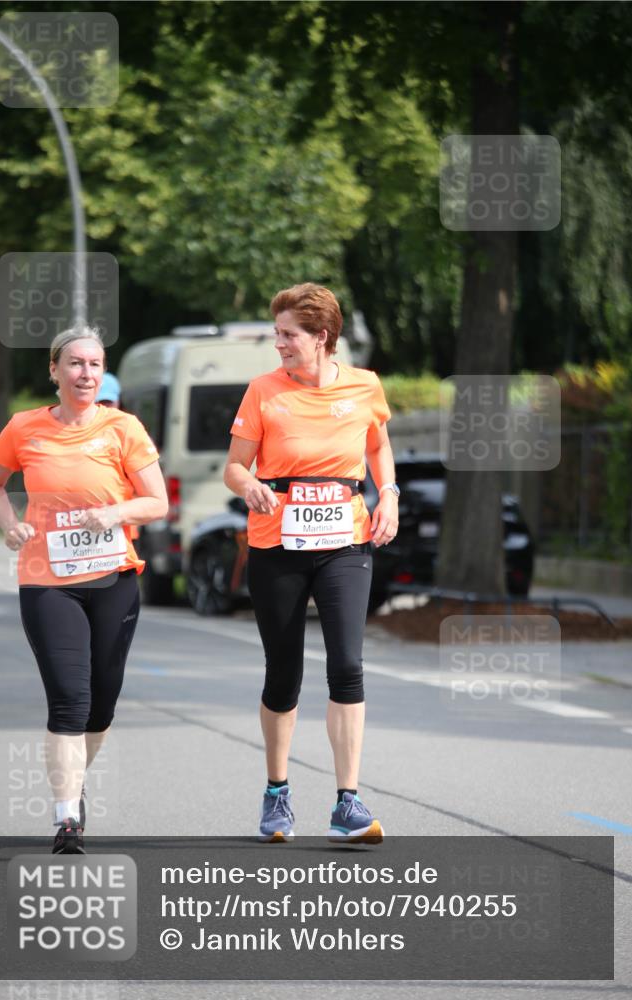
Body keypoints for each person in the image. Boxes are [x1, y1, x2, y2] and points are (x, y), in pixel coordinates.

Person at [0, 325, 168, 853]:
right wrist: (9, 523)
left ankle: (74, 785)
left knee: (100, 706)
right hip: (47, 581)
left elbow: (157, 502)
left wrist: (113, 512)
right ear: (55, 370)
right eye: (77, 364)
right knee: (69, 700)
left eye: (96, 365)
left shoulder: (124, 428)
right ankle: (67, 819)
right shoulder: (25, 427)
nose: (87, 374)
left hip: (113, 579)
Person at [224, 283, 399, 844]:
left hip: (345, 539)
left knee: (347, 664)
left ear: (321, 337)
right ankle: (278, 791)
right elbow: (233, 467)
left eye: (287, 334)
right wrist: (249, 484)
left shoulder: (365, 385)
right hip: (277, 542)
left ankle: (347, 801)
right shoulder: (263, 392)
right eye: (277, 333)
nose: (278, 343)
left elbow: (377, 445)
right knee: (284, 672)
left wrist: (388, 492)